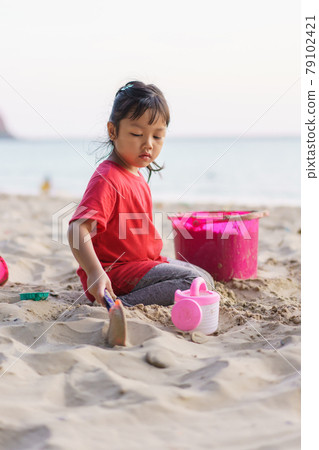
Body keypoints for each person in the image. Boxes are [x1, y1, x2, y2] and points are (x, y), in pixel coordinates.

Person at [67, 80, 214, 314]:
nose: (148, 144)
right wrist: (95, 273)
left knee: (203, 278)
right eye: (137, 134)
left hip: (141, 265)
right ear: (112, 131)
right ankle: (120, 306)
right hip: (114, 273)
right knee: (193, 282)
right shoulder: (107, 178)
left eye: (157, 137)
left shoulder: (136, 175)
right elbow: (76, 229)